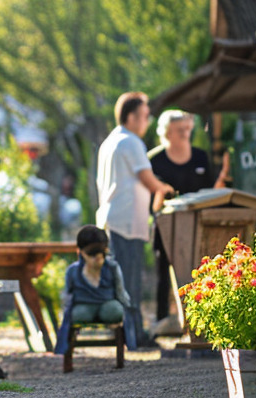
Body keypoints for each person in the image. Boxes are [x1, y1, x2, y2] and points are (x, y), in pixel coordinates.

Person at [95, 91, 173, 347]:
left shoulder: (110, 141)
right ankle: (134, 337)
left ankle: (123, 335)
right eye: (144, 116)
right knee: (129, 283)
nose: (147, 121)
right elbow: (147, 179)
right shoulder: (131, 142)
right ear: (131, 117)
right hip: (126, 222)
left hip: (113, 219)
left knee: (119, 281)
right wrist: (166, 189)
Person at [147, 109, 228, 336]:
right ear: (167, 133)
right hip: (166, 226)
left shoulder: (201, 156)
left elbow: (212, 190)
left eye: (187, 128)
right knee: (164, 273)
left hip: (199, 226)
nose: (184, 133)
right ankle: (163, 322)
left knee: (202, 271)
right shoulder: (154, 160)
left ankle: (202, 322)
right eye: (179, 129)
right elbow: (151, 200)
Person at [53, 225, 138, 354]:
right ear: (80, 252)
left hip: (107, 303)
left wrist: (127, 308)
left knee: (114, 311)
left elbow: (120, 291)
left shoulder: (112, 268)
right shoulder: (73, 271)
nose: (96, 257)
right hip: (83, 305)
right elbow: (67, 294)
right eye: (91, 253)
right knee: (78, 314)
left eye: (100, 252)